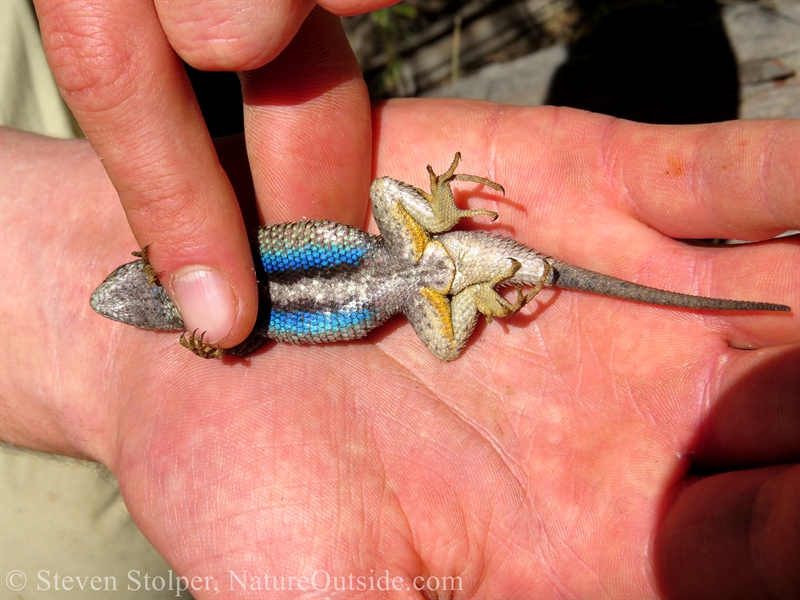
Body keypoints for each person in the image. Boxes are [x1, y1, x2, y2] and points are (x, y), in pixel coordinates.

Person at [2, 1, 798, 598]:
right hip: (403, 251)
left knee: (447, 336)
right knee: (395, 200)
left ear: (165, 287)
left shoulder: (220, 315)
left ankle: (482, 278)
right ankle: (463, 241)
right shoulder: (222, 292)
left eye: (143, 274)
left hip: (409, 280)